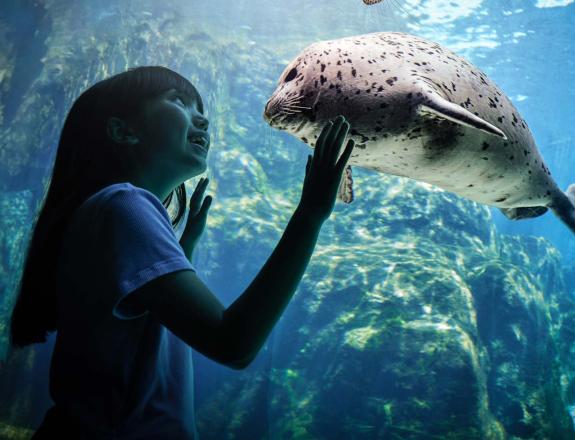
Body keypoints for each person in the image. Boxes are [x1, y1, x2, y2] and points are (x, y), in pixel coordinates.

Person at [9, 65, 354, 439]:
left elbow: (130, 335)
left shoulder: (106, 210)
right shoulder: (124, 204)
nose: (203, 119)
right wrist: (310, 214)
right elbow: (234, 344)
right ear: (123, 131)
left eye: (201, 109)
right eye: (179, 102)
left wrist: (180, 249)